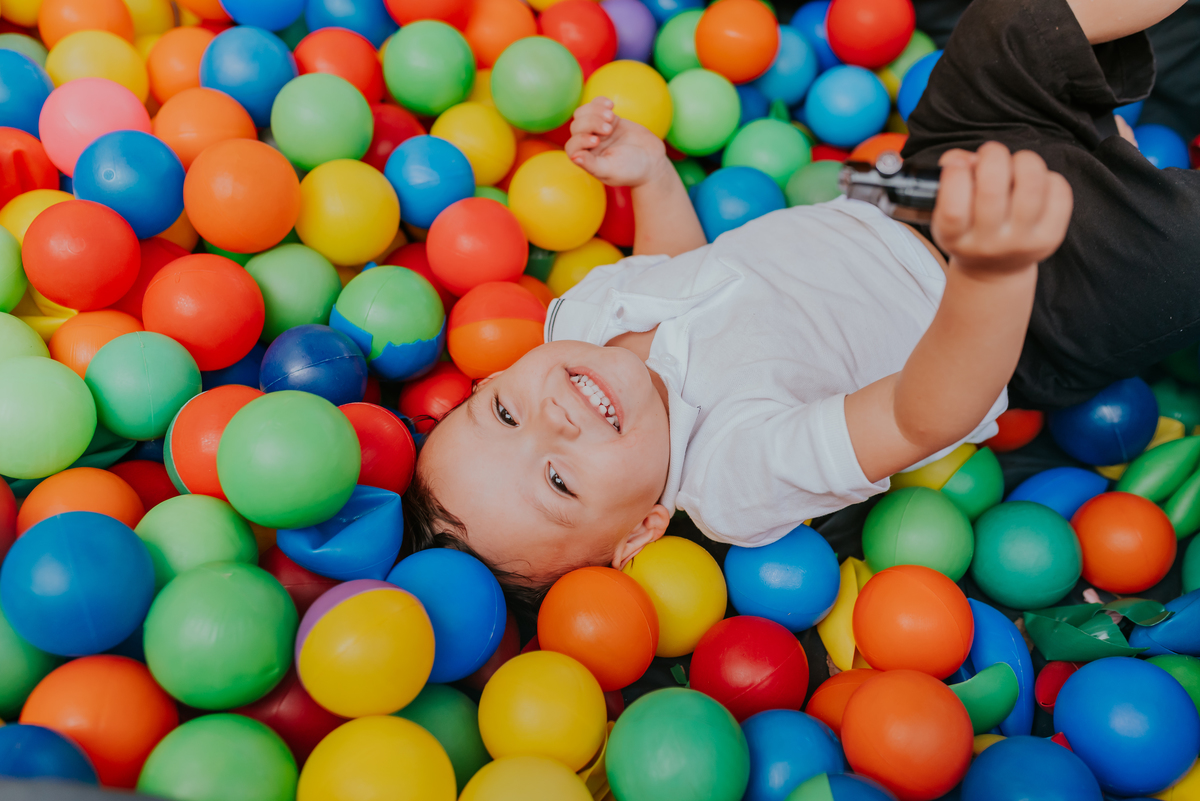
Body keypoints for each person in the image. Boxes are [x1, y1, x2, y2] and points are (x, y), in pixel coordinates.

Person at [405, 0, 1198, 602]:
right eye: (559, 481)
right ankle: (1119, 171)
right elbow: (918, 416)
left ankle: (1106, 151)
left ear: (495, 378)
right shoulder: (731, 478)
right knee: (1173, 257)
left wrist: (651, 177)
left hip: (924, 187)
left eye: (506, 413)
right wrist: (996, 270)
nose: (557, 420)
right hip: (1034, 307)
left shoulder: (579, 319)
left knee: (1004, 26)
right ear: (642, 529)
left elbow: (678, 268)